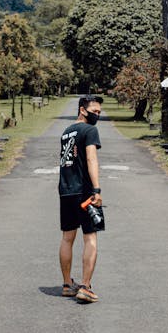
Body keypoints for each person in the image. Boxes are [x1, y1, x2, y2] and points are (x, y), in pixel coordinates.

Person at [58, 94, 104, 303]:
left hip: (66, 190)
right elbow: (91, 158)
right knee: (90, 237)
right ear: (82, 110)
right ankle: (85, 286)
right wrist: (96, 189)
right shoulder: (89, 130)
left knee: (68, 238)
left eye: (99, 112)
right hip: (84, 191)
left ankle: (68, 284)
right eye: (94, 111)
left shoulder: (67, 132)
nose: (97, 115)